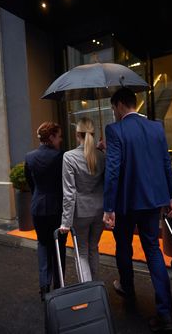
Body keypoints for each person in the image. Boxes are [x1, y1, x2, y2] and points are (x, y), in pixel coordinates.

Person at [103, 87, 172, 331]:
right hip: (152, 201)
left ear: (119, 105)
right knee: (153, 252)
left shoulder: (115, 130)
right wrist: (170, 198)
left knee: (123, 247)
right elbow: (166, 164)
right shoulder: (156, 128)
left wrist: (109, 207)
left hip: (125, 204)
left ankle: (128, 288)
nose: (113, 112)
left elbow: (114, 170)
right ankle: (165, 313)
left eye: (113, 108)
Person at [24, 121, 68, 301]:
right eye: (58, 136)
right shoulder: (60, 157)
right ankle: (59, 286)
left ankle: (44, 286)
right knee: (59, 247)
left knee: (43, 245)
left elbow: (30, 183)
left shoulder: (29, 157)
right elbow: (65, 184)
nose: (60, 140)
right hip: (57, 208)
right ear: (51, 137)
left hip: (38, 207)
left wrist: (38, 196)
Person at [60, 117, 105, 282]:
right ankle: (96, 286)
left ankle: (88, 289)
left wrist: (65, 221)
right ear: (93, 133)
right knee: (94, 248)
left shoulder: (69, 157)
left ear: (77, 134)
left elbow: (69, 192)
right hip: (100, 209)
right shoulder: (101, 156)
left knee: (82, 251)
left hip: (81, 212)